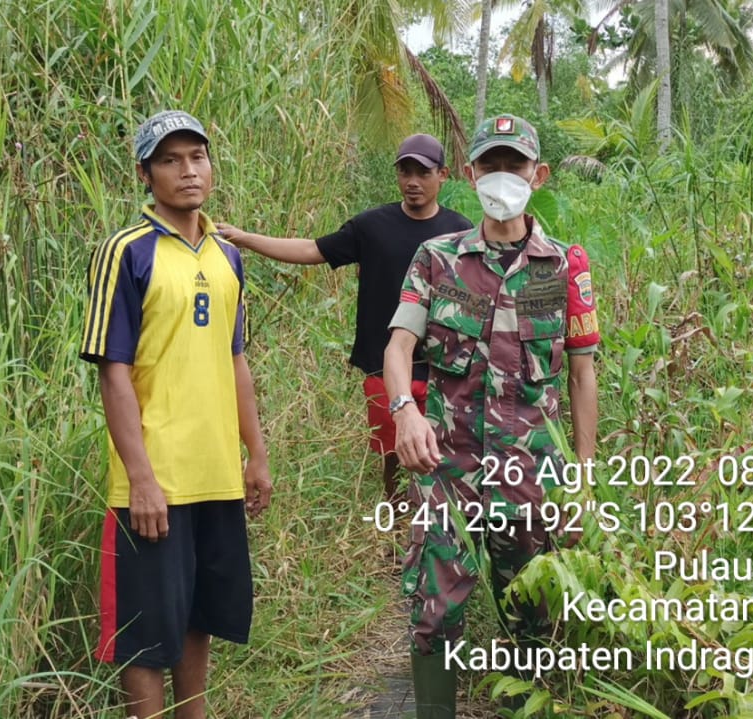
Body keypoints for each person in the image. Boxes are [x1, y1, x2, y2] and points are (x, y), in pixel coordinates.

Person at [383, 113, 600, 718]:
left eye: (515, 165)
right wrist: (405, 410)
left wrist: (582, 474)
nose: (502, 176)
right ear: (471, 174)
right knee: (433, 611)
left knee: (531, 618)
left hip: (531, 475)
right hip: (445, 469)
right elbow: (399, 346)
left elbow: (582, 373)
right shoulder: (437, 259)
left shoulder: (566, 267)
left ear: (539, 174)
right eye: (490, 165)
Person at [80, 109, 273, 719]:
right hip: (155, 478)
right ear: (146, 174)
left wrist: (256, 455)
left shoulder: (225, 256)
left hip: (215, 471)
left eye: (197, 157)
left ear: (211, 166)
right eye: (170, 160)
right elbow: (114, 371)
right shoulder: (126, 253)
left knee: (199, 615)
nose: (187, 170)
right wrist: (139, 477)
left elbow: (235, 361)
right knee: (144, 632)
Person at [217, 134, 472, 503]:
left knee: (445, 455)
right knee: (396, 454)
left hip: (443, 365)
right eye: (405, 171)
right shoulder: (372, 226)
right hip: (383, 364)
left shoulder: (460, 231)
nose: (413, 181)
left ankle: (443, 529)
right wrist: (245, 238)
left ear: (443, 175)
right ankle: (396, 527)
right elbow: (311, 249)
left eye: (423, 172)